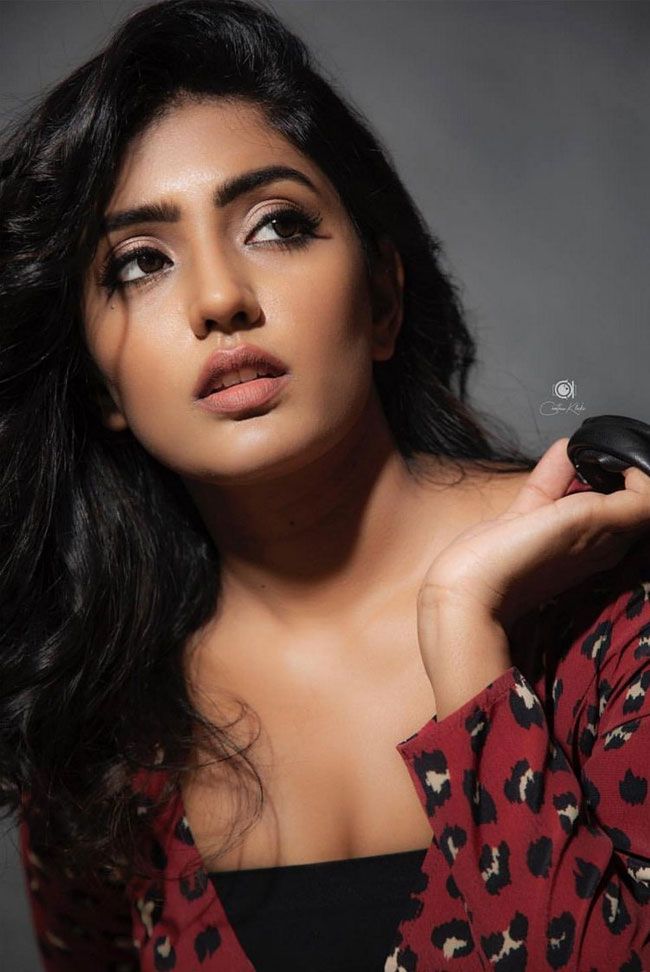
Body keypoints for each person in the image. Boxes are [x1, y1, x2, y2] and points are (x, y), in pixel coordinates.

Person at [1, 0, 649, 969]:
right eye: (139, 263)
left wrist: (465, 636)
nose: (220, 299)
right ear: (101, 387)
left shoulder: (613, 607)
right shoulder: (95, 714)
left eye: (276, 224)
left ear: (382, 297)